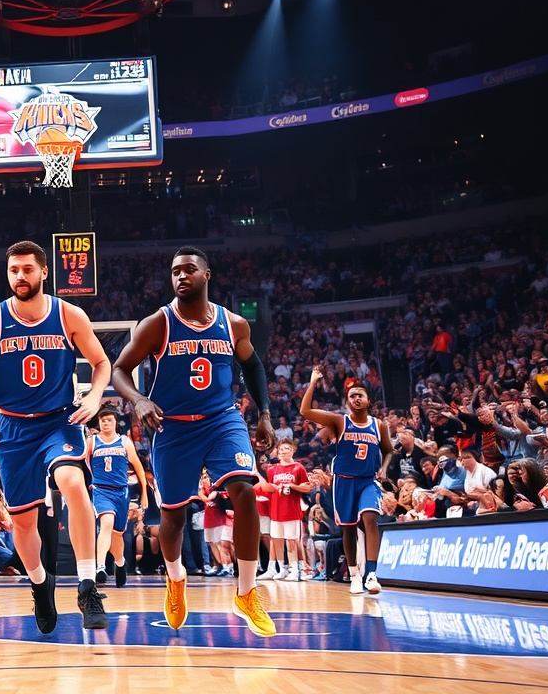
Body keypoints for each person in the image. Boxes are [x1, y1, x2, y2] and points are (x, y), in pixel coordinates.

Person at [111, 246, 276, 637]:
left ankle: (246, 592)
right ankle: (175, 578)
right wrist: (138, 399)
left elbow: (253, 365)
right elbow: (120, 369)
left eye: (188, 269)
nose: (181, 276)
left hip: (222, 420)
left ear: (206, 275)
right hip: (174, 428)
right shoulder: (157, 323)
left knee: (245, 491)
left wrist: (265, 414)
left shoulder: (233, 323)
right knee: (173, 517)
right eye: (175, 272)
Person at [0, 240, 113, 633]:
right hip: (13, 427)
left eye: (27, 269)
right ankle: (41, 585)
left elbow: (101, 362)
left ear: (44, 272)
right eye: (14, 270)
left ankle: (87, 586)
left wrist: (95, 396)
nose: (20, 276)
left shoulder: (69, 314)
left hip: (59, 420)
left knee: (73, 483)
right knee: (24, 523)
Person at [299, 370, 396, 595]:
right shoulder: (339, 421)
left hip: (368, 481)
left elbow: (389, 450)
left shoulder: (379, 425)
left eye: (360, 395)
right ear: (347, 402)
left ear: (368, 400)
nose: (356, 398)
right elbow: (305, 411)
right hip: (344, 482)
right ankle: (354, 575)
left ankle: (371, 574)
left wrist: (383, 468)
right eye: (352, 396)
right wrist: (313, 382)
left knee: (370, 519)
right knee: (349, 529)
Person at [88, 407, 147, 587]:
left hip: (121, 492)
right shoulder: (91, 441)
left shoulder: (124, 442)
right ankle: (100, 567)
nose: (106, 423)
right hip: (100, 490)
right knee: (106, 524)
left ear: (116, 423)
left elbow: (138, 468)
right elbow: (82, 465)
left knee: (117, 535)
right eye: (103, 420)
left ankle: (120, 563)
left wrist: (144, 494)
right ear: (99, 423)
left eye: (109, 420)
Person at [256, 439, 310, 582]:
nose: (284, 451)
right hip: (276, 510)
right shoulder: (272, 469)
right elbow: (269, 488)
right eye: (281, 449)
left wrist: (292, 486)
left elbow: (307, 487)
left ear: (293, 450)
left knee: (291, 541)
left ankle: (295, 569)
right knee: (277, 540)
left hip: (291, 510)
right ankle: (282, 568)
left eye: (287, 448)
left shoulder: (298, 467)